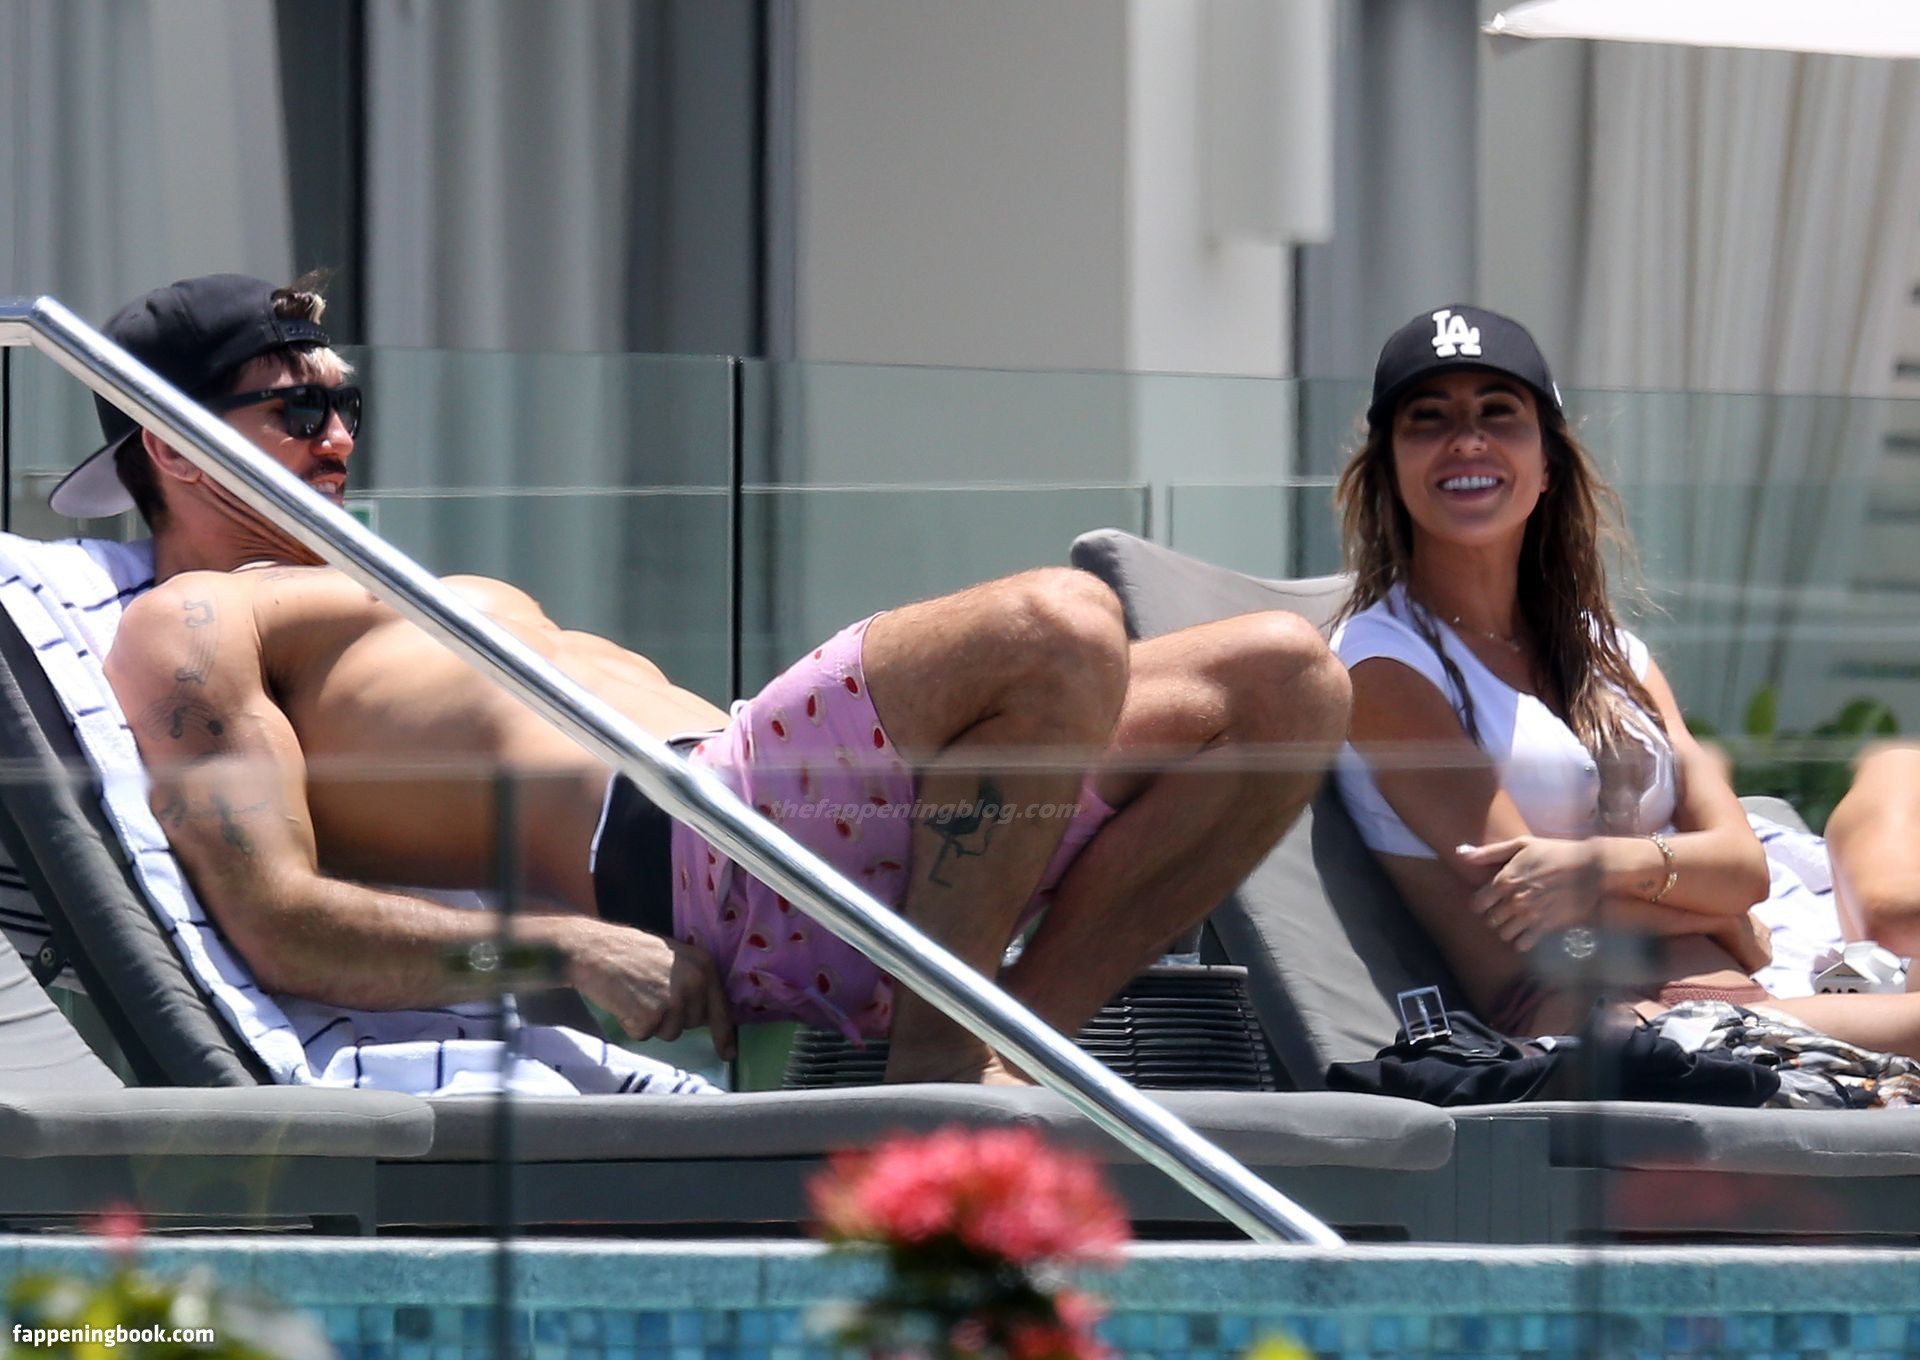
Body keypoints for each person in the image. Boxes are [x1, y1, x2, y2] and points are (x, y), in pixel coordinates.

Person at [70, 273, 1350, 1086]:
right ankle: (938, 1072)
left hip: (799, 819)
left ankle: (1006, 1053)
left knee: (1288, 679)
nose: (341, 437)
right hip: (699, 845)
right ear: (173, 447)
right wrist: (572, 947)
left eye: (349, 404)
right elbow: (275, 919)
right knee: (1056, 623)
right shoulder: (190, 622)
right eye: (298, 413)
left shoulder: (385, 583)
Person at [1330, 302, 1920, 1055]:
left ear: (1548, 463)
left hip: (1741, 1007)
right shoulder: (1384, 664)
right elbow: (1528, 904)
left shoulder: (1609, 651)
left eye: (1499, 412)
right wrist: (1716, 910)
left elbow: (1744, 869)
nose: (1467, 439)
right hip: (1607, 1033)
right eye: (1428, 418)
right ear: (1388, 468)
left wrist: (1598, 868)